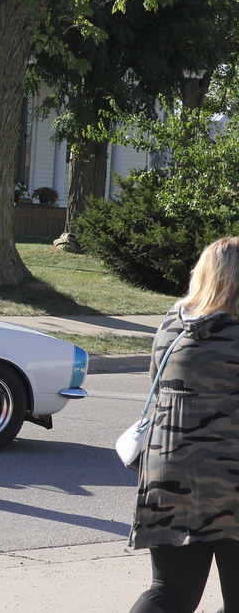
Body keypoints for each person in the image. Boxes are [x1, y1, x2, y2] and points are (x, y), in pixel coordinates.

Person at [129, 236, 239, 613]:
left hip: (169, 469)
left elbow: (157, 389)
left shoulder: (172, 326)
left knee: (169, 592)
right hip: (231, 475)